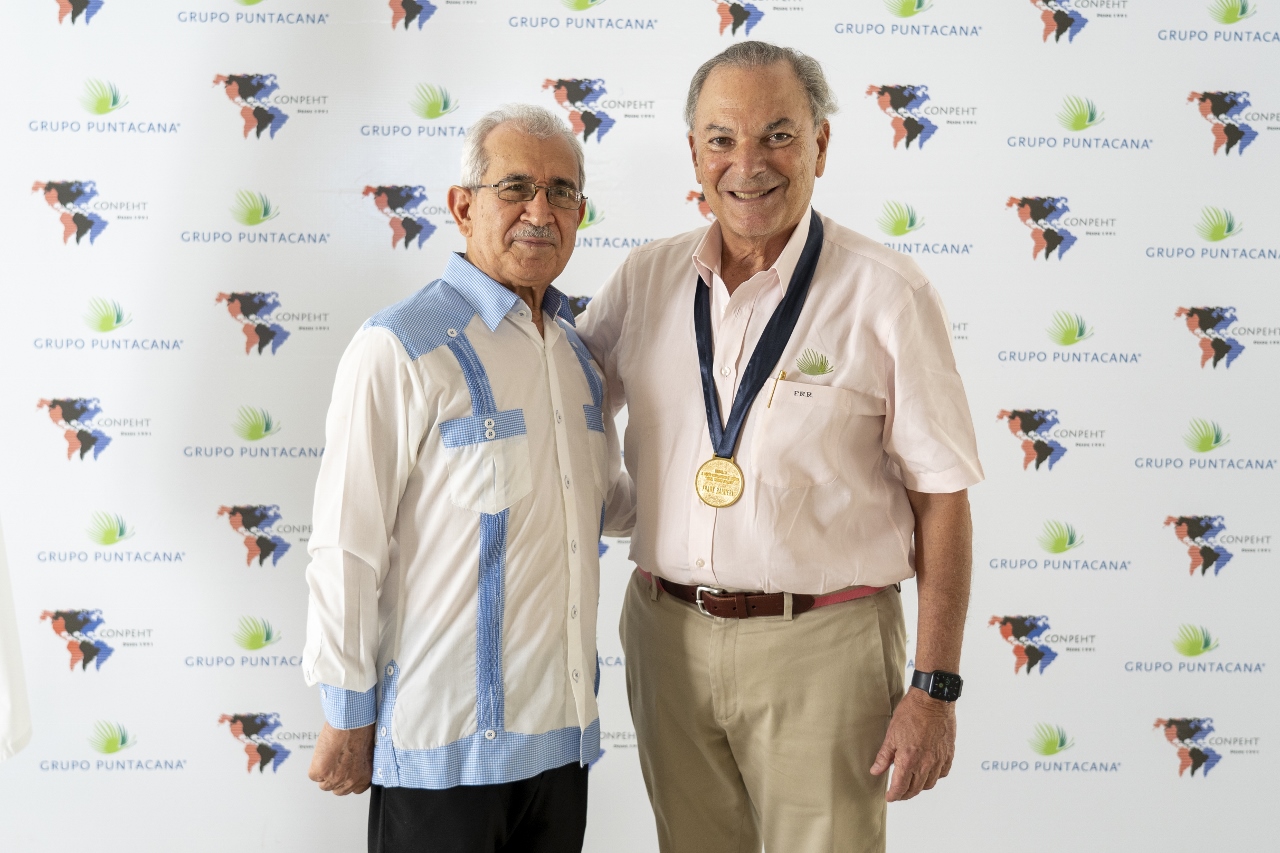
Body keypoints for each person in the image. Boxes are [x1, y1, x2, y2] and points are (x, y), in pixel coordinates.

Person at [577, 42, 982, 853]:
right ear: (694, 153)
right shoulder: (645, 280)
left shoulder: (887, 293)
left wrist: (935, 687)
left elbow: (942, 497)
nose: (748, 164)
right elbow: (562, 409)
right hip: (665, 635)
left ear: (821, 145)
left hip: (824, 646)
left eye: (779, 136)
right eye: (722, 139)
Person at [302, 104, 631, 853]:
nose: (540, 211)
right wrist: (347, 708)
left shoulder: (577, 356)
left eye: (562, 191)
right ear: (462, 206)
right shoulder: (400, 345)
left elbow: (601, 506)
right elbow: (347, 543)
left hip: (561, 745)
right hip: (440, 752)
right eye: (515, 187)